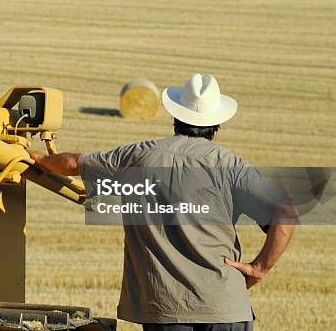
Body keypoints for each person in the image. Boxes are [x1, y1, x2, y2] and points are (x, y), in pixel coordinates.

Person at [29, 73, 296, 331]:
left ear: (175, 116)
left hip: (166, 308)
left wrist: (40, 159)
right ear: (217, 125)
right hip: (225, 306)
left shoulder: (137, 156)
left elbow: (72, 163)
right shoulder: (231, 166)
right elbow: (286, 214)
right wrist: (259, 268)